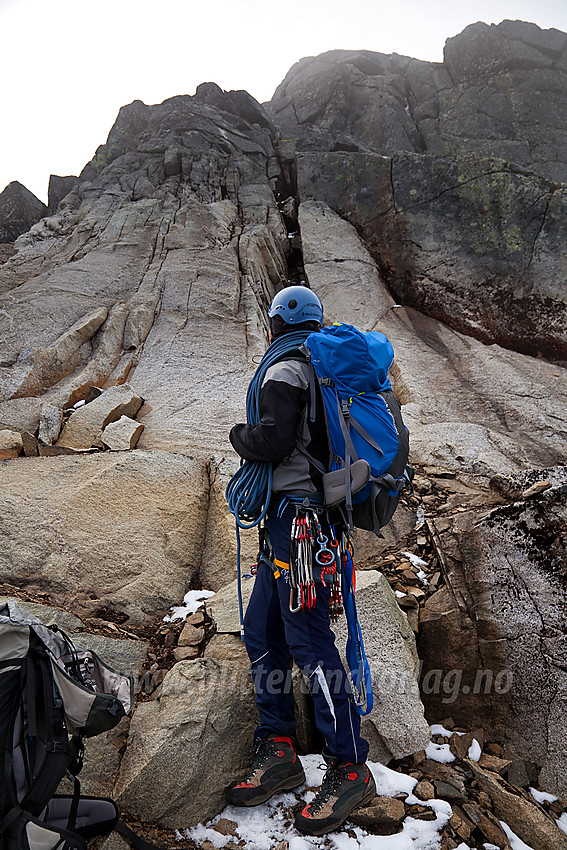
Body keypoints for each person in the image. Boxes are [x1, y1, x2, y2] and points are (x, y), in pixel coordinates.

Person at [227, 285, 376, 836]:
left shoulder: (286, 368)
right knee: (260, 629)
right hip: (297, 525)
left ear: (274, 324)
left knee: (310, 644)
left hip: (299, 526)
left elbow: (271, 440)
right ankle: (280, 748)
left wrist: (239, 435)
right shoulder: (319, 365)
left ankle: (349, 764)